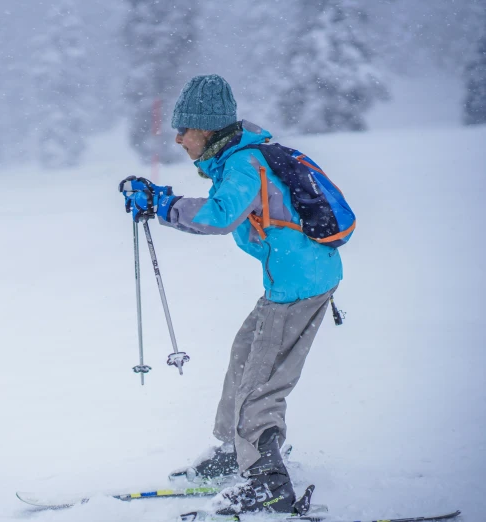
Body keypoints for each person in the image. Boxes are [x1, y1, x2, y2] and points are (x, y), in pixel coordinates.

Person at [119, 74, 344, 515]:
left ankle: (267, 481)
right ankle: (233, 454)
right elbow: (226, 208)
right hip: (294, 281)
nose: (178, 137)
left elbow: (219, 216)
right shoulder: (241, 157)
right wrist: (164, 200)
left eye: (184, 129)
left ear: (207, 128)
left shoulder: (244, 162)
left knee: (260, 384)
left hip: (298, 287)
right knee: (245, 357)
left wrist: (160, 204)